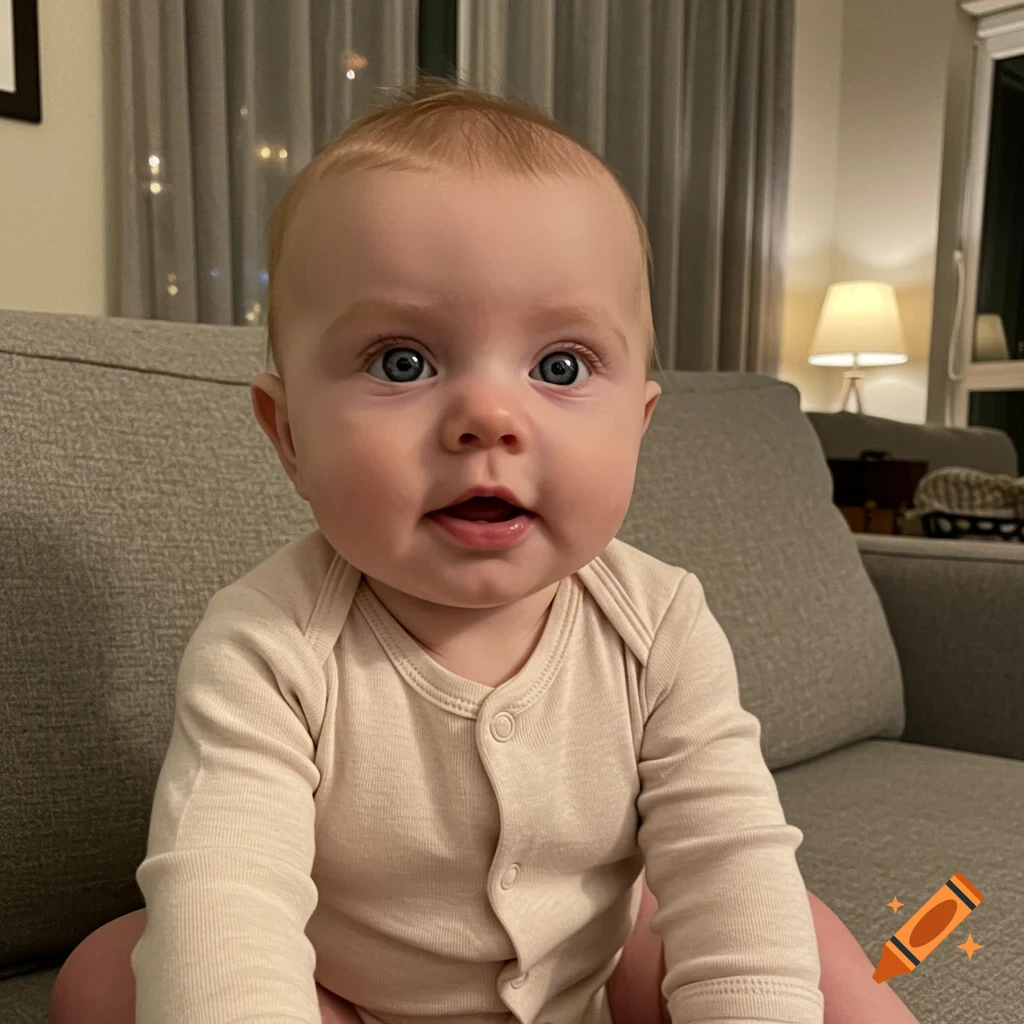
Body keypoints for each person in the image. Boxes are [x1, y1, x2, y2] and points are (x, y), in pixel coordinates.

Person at [50, 78, 920, 1024]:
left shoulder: (660, 624)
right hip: (349, 999)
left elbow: (725, 851)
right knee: (113, 971)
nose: (488, 419)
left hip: (592, 984)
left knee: (796, 936)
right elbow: (228, 886)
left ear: (638, 424)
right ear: (289, 431)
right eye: (402, 361)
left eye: (560, 366)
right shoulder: (267, 644)